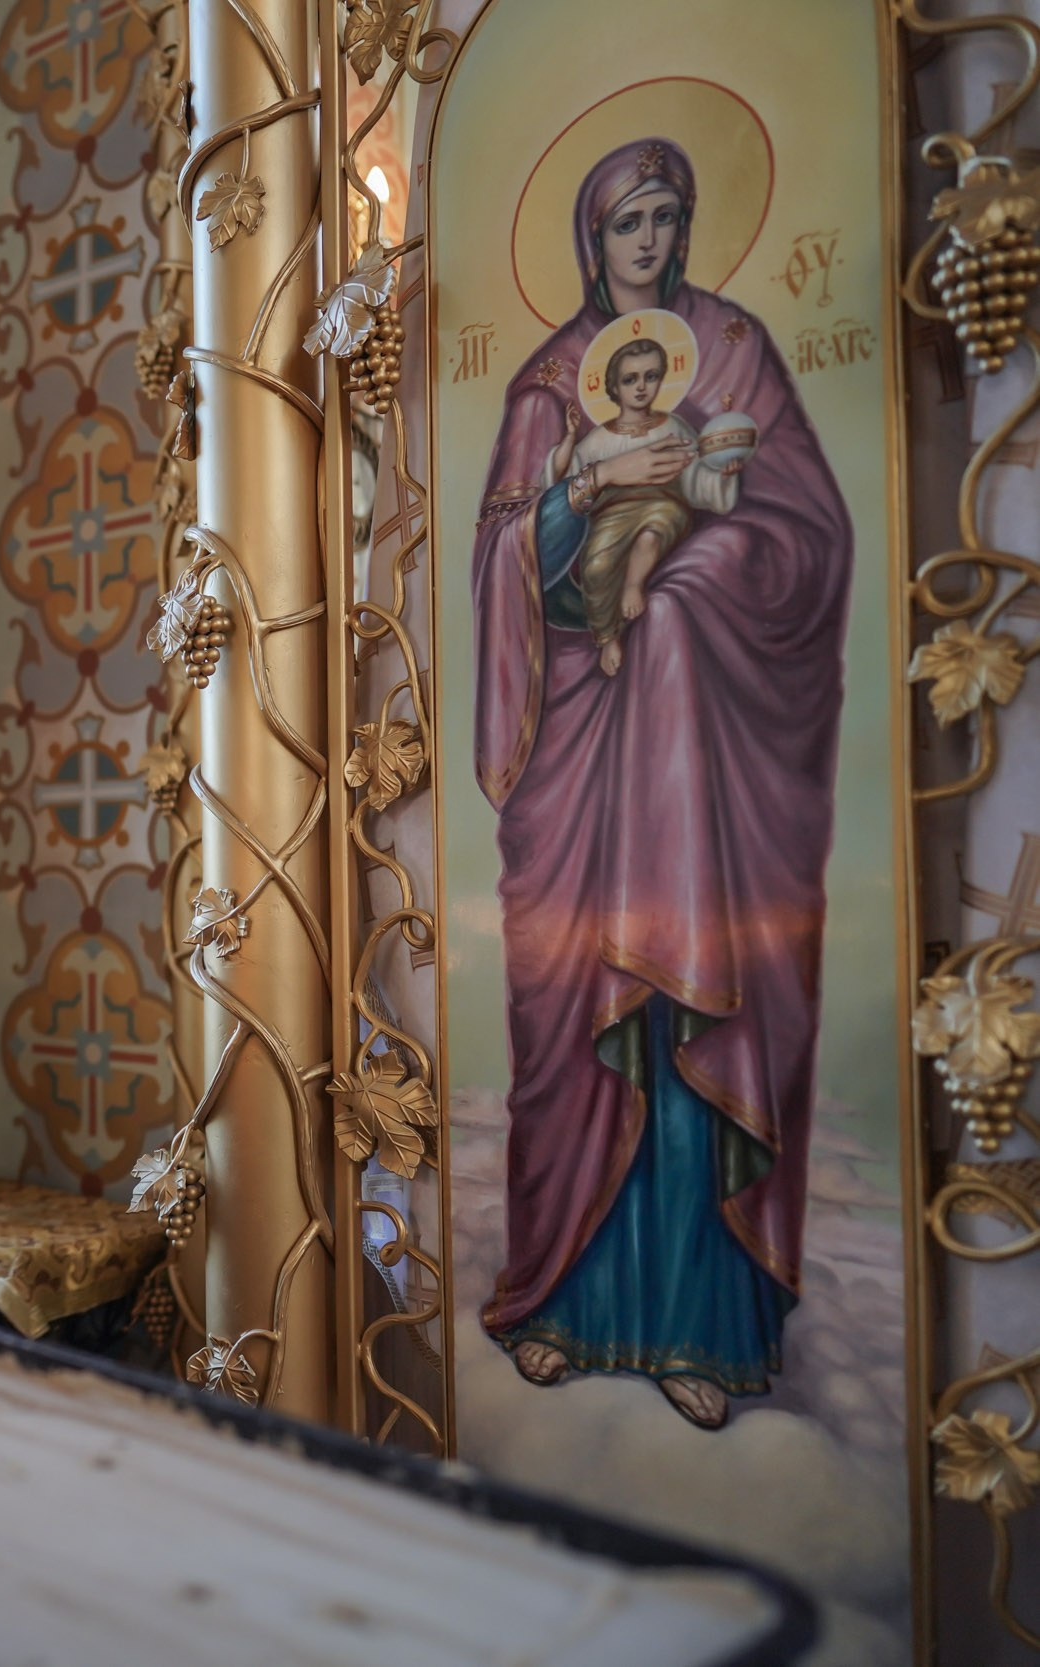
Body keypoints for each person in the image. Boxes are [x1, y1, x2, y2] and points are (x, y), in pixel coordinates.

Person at [471, 138, 850, 1430]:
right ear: (593, 237)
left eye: (667, 218)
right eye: (628, 220)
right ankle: (566, 1305)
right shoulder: (543, 387)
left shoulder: (733, 352)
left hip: (702, 772)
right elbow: (501, 561)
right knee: (572, 1023)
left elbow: (811, 535)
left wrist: (692, 577)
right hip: (579, 750)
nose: (648, 239)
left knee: (689, 1010)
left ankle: (699, 1327)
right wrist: (578, 485)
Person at [542, 335, 745, 675]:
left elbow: (697, 480)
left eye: (650, 377)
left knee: (650, 537)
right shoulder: (599, 440)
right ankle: (607, 637)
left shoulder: (674, 427)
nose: (640, 387)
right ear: (614, 387)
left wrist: (722, 475)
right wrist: (566, 442)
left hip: (664, 505)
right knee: (595, 565)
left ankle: (634, 584)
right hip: (611, 516)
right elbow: (563, 486)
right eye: (630, 379)